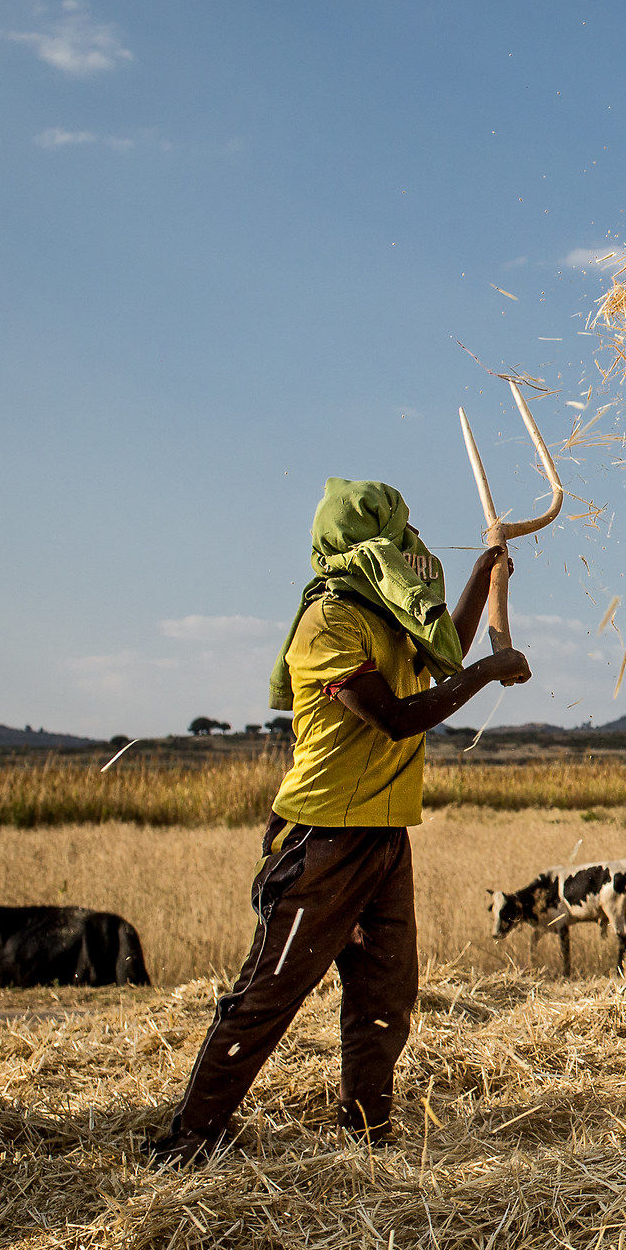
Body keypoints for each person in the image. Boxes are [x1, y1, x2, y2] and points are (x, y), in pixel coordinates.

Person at [146, 479, 528, 1165]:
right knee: (272, 991)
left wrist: (480, 573)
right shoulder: (328, 622)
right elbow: (395, 717)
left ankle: (367, 1134)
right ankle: (191, 1138)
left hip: (385, 834)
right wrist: (490, 673)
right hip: (321, 839)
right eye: (395, 541)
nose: (410, 551)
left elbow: (445, 650)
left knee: (386, 995)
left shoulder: (389, 616)